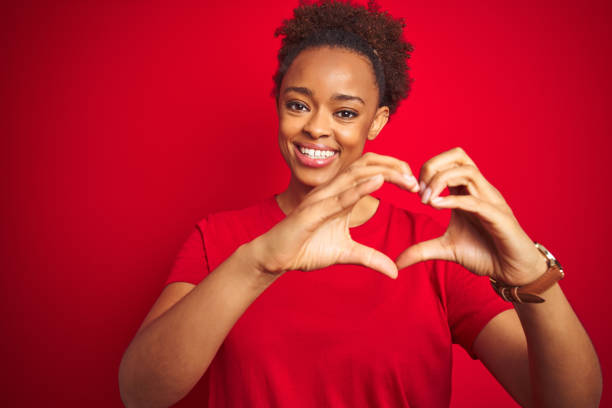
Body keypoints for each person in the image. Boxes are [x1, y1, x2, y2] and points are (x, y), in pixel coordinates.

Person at [118, 1, 602, 407]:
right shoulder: (220, 239)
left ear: (377, 122)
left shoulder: (434, 250)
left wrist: (530, 275)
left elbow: (569, 401)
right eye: (298, 104)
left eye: (345, 112)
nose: (317, 128)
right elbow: (141, 392)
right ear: (279, 106)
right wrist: (259, 263)